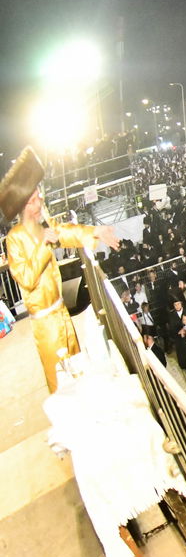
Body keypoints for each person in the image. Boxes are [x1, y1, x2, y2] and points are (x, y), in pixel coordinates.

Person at [1, 147, 121, 392]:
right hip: (45, 323)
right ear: (25, 205)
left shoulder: (41, 224)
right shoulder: (15, 239)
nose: (41, 201)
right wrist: (44, 244)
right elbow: (25, 278)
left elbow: (64, 232)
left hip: (62, 314)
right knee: (61, 383)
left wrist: (95, 231)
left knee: (78, 371)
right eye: (35, 199)